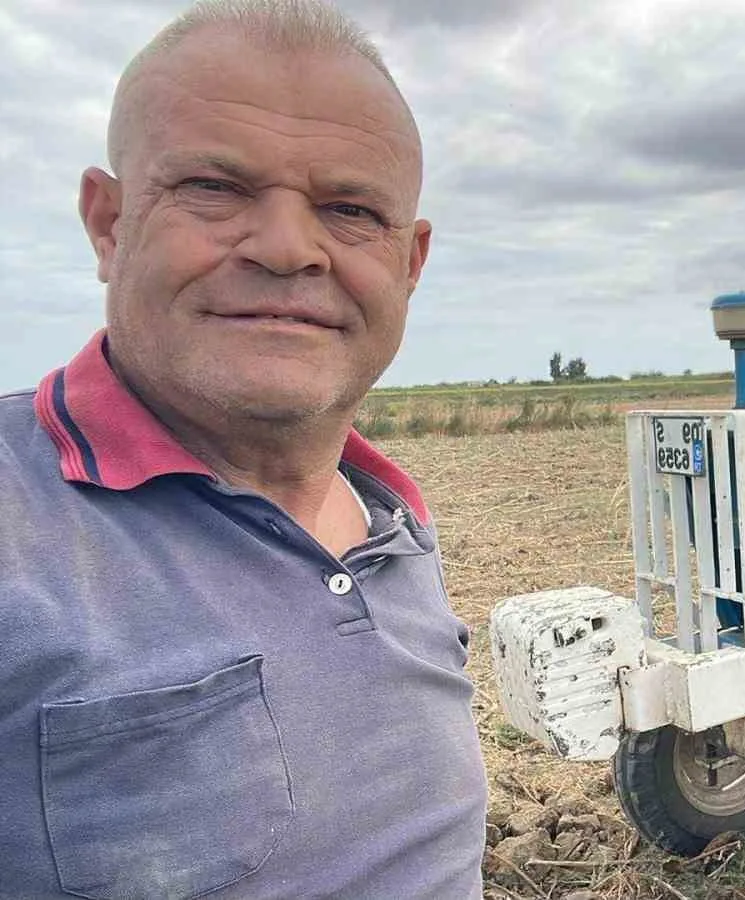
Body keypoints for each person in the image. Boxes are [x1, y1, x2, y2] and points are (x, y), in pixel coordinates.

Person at [0, 1, 489, 897]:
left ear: (410, 263)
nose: (288, 248)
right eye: (215, 188)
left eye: (349, 209)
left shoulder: (389, 517)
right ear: (108, 223)